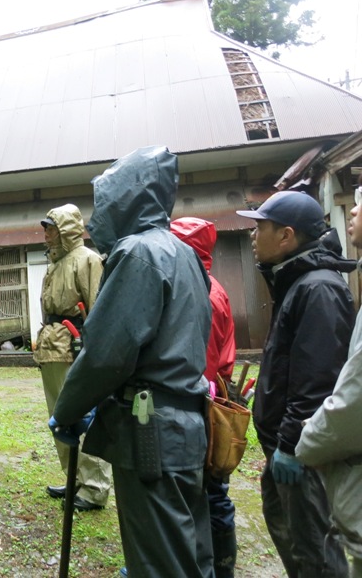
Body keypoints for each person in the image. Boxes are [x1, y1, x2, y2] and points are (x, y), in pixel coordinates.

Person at [52, 146, 214, 577]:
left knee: (159, 561)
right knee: (190, 551)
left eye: (103, 202)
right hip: (188, 424)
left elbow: (107, 354)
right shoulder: (185, 255)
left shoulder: (139, 253)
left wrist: (67, 409)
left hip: (151, 432)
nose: (98, 213)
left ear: (126, 200)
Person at [235, 190, 353, 577]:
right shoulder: (296, 281)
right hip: (284, 450)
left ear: (286, 236)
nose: (253, 236)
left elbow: (317, 381)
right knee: (297, 548)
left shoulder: (317, 288)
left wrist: (290, 445)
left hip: (300, 455)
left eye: (260, 227)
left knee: (315, 556)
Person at [295, 185, 362, 578]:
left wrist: (305, 440)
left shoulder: (318, 287)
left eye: (359, 206)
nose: (351, 212)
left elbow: (348, 394)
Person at [34, 204, 112, 512]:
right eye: (46, 228)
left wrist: (94, 351)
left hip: (76, 347)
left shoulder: (88, 260)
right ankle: (74, 478)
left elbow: (98, 307)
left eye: (51, 228)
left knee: (85, 417)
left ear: (66, 229)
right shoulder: (54, 262)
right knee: (60, 416)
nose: (46, 234)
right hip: (52, 346)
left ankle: (94, 488)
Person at [171, 217, 238, 578]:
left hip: (200, 401)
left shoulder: (197, 292)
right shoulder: (213, 288)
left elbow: (197, 358)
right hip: (210, 396)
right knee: (207, 489)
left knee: (205, 491)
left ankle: (215, 566)